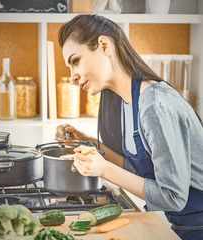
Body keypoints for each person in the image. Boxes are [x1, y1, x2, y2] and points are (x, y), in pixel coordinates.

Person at [55, 14, 203, 240]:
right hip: (184, 226)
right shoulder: (127, 102)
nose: (73, 76)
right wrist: (91, 143)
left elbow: (173, 197)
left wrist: (103, 169)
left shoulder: (154, 104)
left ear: (104, 45)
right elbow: (142, 171)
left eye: (75, 61)